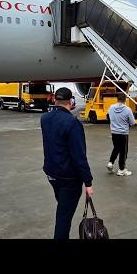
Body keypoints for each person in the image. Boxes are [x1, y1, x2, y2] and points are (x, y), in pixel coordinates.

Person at [41, 87, 93, 239]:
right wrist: (88, 182)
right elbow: (79, 156)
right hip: (68, 178)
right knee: (64, 217)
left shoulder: (44, 118)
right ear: (71, 102)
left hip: (52, 174)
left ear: (54, 100)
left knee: (63, 208)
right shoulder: (72, 122)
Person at [107, 92, 135, 176]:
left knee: (116, 148)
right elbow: (132, 122)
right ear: (125, 99)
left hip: (114, 132)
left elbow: (108, 116)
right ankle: (121, 169)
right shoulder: (127, 109)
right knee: (123, 151)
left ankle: (110, 162)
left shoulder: (111, 107)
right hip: (123, 133)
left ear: (117, 99)